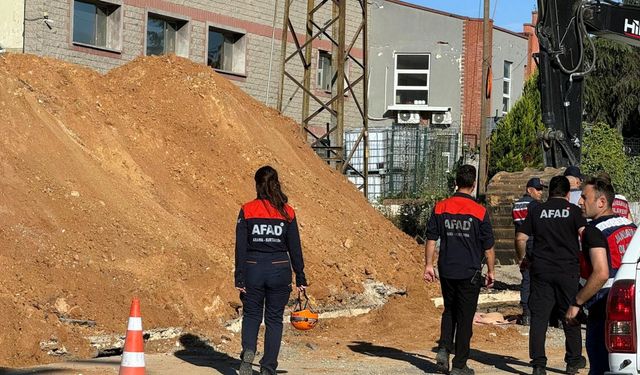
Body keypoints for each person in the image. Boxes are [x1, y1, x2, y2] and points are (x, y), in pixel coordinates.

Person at [234, 166, 308, 375]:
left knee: (251, 315)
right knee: (274, 319)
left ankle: (248, 353)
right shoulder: (287, 212)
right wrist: (300, 277)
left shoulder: (247, 210)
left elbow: (240, 247)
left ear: (257, 184)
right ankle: (267, 368)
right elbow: (295, 248)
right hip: (279, 269)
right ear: (276, 183)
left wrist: (239, 277)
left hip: (253, 268)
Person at [424, 164, 495, 375]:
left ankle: (444, 349)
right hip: (469, 272)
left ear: (456, 182)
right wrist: (491, 271)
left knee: (449, 310)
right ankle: (460, 365)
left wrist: (428, 265)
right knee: (465, 317)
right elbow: (488, 247)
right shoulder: (480, 212)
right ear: (473, 186)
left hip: (446, 269)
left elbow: (431, 238)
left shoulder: (441, 207)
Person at [515, 176, 587, 375]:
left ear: (549, 192)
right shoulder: (573, 210)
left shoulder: (536, 210)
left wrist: (523, 259)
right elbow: (584, 233)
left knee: (539, 318)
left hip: (541, 271)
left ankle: (538, 364)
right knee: (570, 315)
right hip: (568, 271)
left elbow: (521, 237)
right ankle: (573, 361)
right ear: (567, 193)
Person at [566, 177, 637, 375]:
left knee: (599, 366)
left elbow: (601, 272)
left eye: (584, 197)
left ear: (602, 202)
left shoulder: (593, 231)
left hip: (603, 307)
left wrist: (577, 302)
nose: (579, 202)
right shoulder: (631, 227)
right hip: (630, 305)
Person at [512, 177, 545, 326]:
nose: (540, 193)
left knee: (526, 277)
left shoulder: (517, 205)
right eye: (538, 189)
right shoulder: (536, 205)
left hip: (520, 242)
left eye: (541, 190)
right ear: (529, 190)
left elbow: (517, 227)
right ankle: (537, 312)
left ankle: (526, 314)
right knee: (537, 278)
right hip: (534, 242)